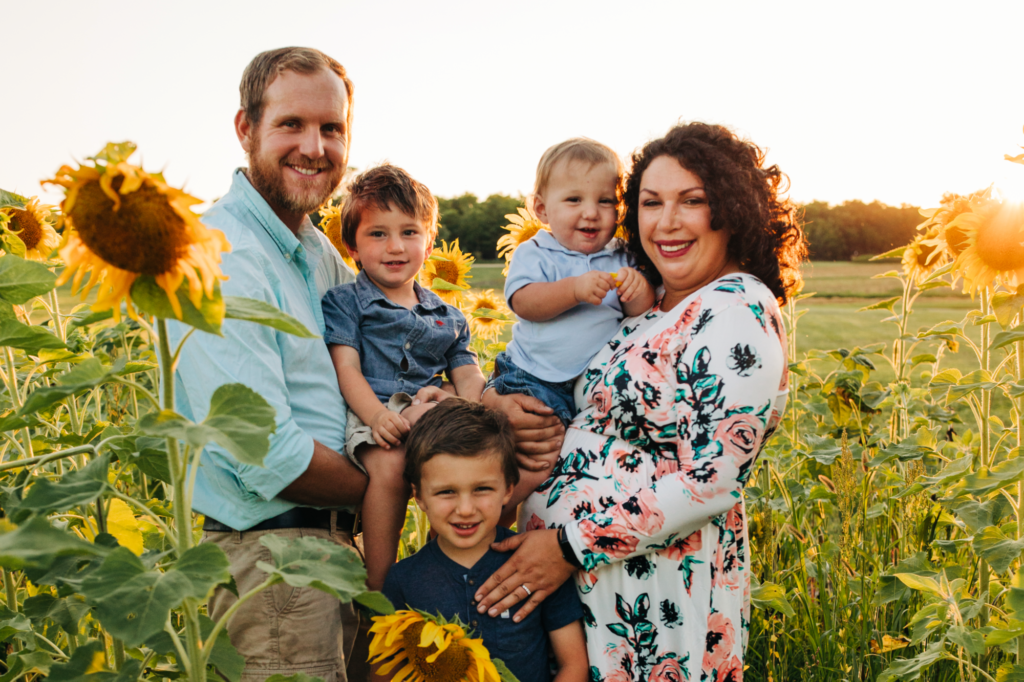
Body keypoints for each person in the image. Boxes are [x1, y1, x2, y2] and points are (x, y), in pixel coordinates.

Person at [472, 122, 807, 681]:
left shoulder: (734, 309)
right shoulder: (649, 310)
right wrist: (493, 400)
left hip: (651, 601)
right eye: (650, 203)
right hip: (577, 598)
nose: (666, 221)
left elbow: (713, 477)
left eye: (692, 201)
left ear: (731, 210)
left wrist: (570, 546)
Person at [166, 47, 370, 682]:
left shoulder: (315, 252)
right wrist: (403, 483)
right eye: (292, 125)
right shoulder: (222, 253)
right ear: (246, 128)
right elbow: (269, 455)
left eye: (331, 129)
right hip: (273, 565)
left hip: (328, 554)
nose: (314, 146)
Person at [321, 163, 485, 590]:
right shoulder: (347, 303)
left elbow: (468, 375)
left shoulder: (448, 316)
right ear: (351, 246)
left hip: (433, 417)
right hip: (377, 417)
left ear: (429, 242)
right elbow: (347, 369)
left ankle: (448, 567)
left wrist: (469, 410)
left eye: (409, 232)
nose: (395, 246)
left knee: (477, 467)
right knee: (391, 468)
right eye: (378, 234)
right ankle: (379, 585)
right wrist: (377, 417)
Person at [379, 399, 588, 682]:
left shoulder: (535, 566)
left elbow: (573, 665)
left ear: (507, 490)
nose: (465, 509)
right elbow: (388, 671)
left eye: (482, 489)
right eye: (446, 492)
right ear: (419, 496)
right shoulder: (402, 580)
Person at [489, 138, 654, 430]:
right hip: (532, 375)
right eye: (574, 200)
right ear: (541, 209)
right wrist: (573, 290)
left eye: (606, 201)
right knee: (538, 444)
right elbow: (525, 303)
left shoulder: (622, 254)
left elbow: (639, 311)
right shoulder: (535, 251)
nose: (591, 212)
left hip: (592, 384)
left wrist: (637, 288)